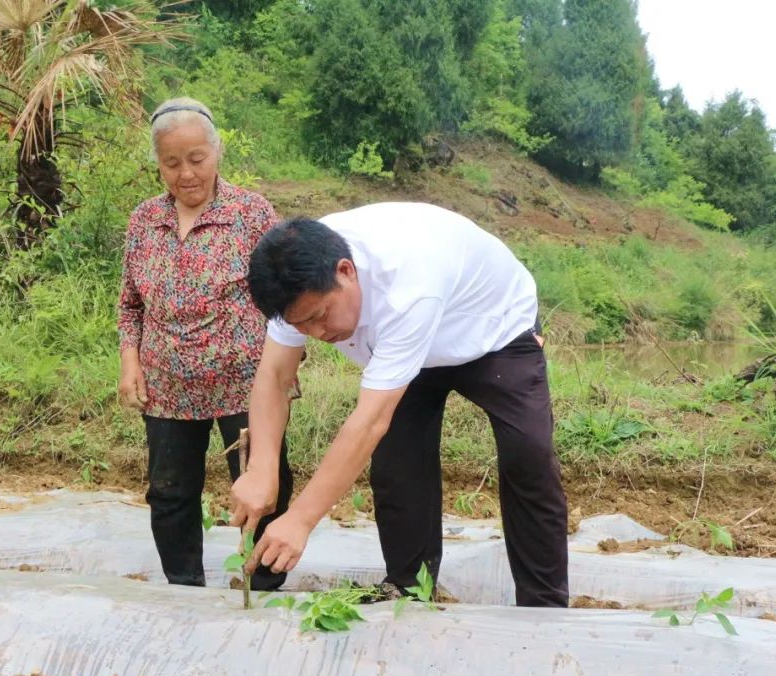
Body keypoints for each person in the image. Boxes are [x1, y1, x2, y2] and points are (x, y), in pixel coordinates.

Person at [231, 202, 569, 607]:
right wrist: (261, 467)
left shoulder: (408, 285)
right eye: (301, 326)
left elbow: (369, 421)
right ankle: (407, 590)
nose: (317, 334)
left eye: (321, 316)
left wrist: (301, 519)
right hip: (404, 345)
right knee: (397, 463)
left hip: (492, 330)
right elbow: (274, 377)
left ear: (346, 271)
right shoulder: (290, 278)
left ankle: (544, 606)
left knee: (527, 455)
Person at [117, 97, 294, 590]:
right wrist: (130, 362)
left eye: (196, 159)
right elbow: (130, 304)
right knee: (170, 491)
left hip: (247, 385)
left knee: (262, 483)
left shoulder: (251, 213)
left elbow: (286, 294)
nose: (186, 174)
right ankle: (184, 589)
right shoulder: (144, 221)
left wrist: (284, 369)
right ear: (158, 164)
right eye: (172, 163)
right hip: (168, 388)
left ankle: (262, 587)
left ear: (217, 152)